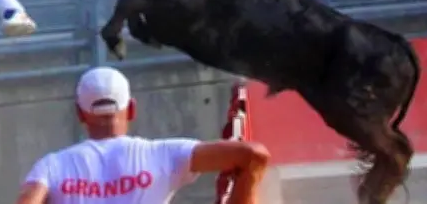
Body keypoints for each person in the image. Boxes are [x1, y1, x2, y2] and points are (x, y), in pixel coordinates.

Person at [16, 66, 271, 204]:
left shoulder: (52, 166)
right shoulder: (163, 155)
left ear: (80, 114)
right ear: (132, 108)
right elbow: (252, 155)